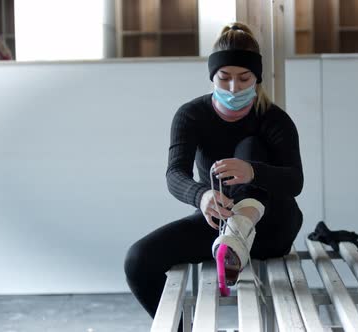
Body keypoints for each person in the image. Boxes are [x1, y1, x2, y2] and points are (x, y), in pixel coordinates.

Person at [124, 22, 303, 328]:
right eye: (225, 78)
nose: (234, 88)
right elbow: (175, 174)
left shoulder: (274, 119)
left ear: (257, 79)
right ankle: (230, 243)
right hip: (218, 224)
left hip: (271, 228)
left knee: (249, 145)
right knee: (139, 260)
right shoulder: (191, 115)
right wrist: (202, 195)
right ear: (212, 77)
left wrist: (253, 171)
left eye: (244, 78)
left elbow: (295, 181)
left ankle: (241, 231)